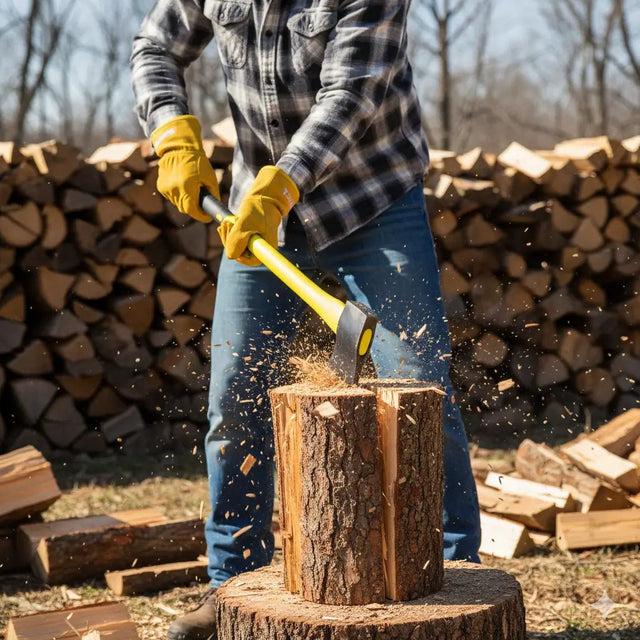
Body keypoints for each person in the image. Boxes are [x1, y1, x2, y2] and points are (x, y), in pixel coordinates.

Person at [131, 1, 480, 638]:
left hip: (371, 197)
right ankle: (233, 585)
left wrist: (287, 181)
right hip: (257, 209)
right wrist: (169, 126)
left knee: (416, 387)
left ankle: (455, 583)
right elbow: (155, 46)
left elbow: (351, 94)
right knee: (235, 396)